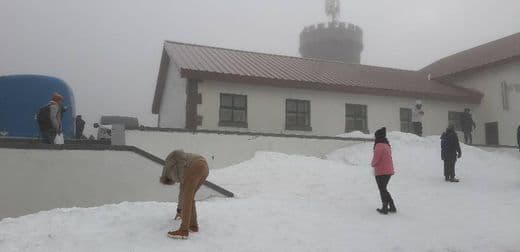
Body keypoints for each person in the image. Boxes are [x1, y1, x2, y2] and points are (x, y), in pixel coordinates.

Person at [160, 150, 209, 239]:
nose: (175, 181)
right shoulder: (181, 172)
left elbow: (182, 196)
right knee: (189, 197)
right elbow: (181, 193)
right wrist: (179, 211)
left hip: (195, 166)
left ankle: (183, 230)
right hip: (204, 167)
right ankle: (193, 226)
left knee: (187, 198)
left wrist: (180, 210)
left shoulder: (171, 168)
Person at [371, 127, 396, 215]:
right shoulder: (386, 145)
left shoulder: (379, 146)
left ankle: (385, 207)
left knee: (382, 189)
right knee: (383, 189)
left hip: (381, 171)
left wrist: (372, 164)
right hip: (388, 170)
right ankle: (392, 206)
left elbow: (376, 159)